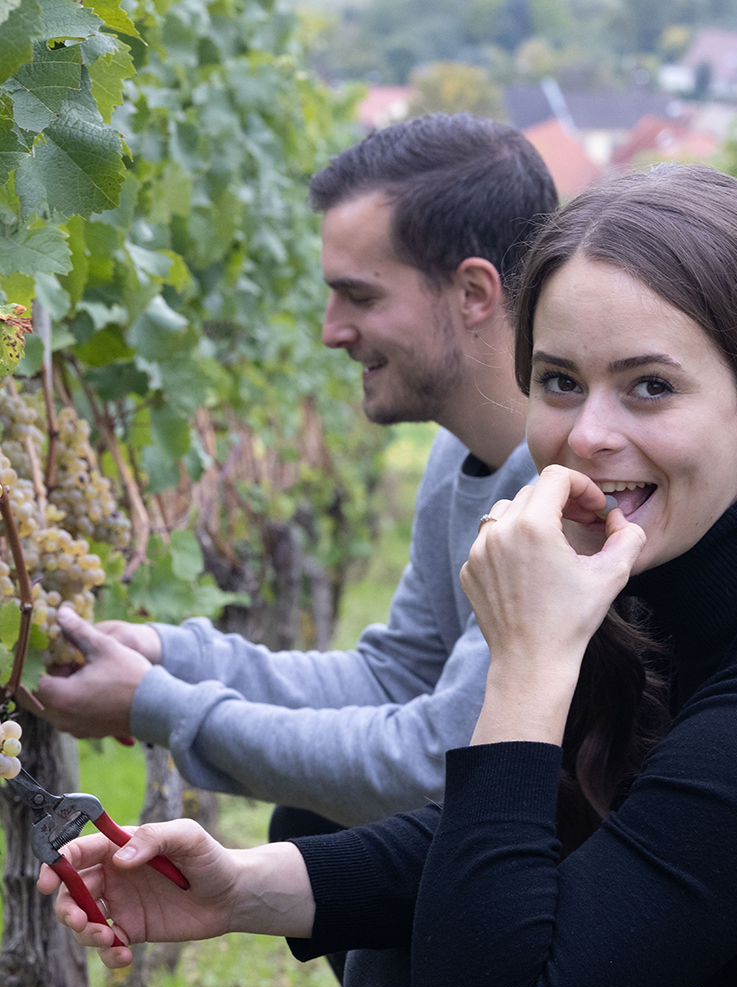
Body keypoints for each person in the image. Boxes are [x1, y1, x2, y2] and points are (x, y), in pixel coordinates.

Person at [42, 165, 737, 987]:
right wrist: (245, 890)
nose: (589, 435)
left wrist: (531, 657)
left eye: (651, 387)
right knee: (415, 918)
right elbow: (571, 817)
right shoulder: (695, 558)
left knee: (463, 976)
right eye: (559, 382)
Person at [26, 112, 555, 828]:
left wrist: (154, 704)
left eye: (360, 295)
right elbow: (392, 679)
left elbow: (439, 758)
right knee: (310, 822)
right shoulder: (457, 459)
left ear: (473, 293)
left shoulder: (567, 495)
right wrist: (168, 654)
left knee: (317, 825)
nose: (331, 330)